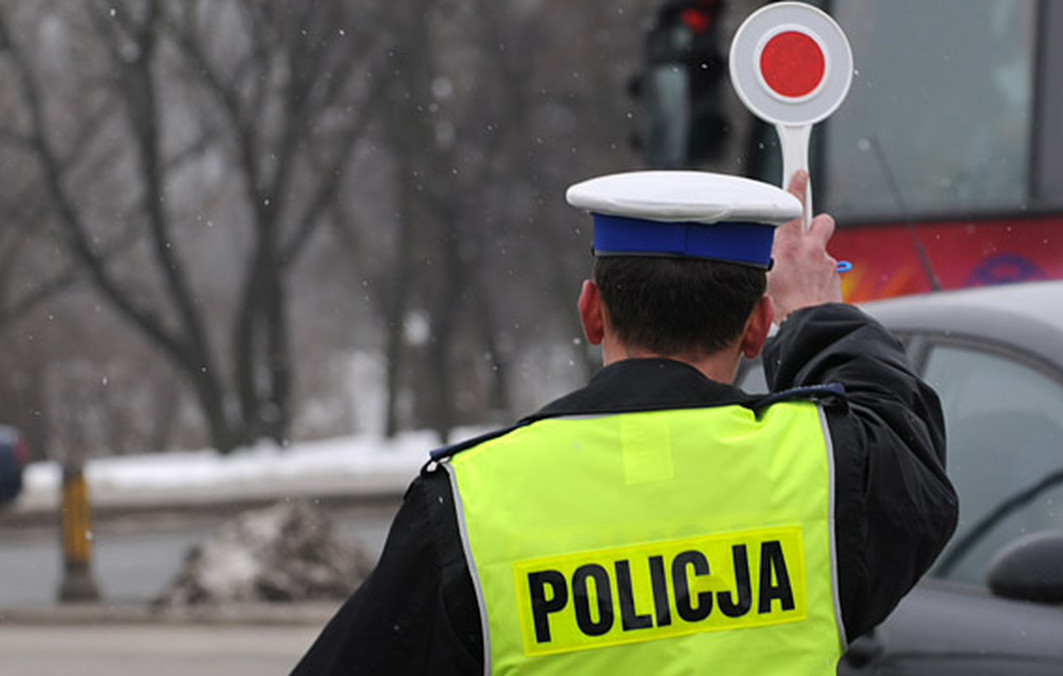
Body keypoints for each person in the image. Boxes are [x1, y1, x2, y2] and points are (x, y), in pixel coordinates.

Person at [291, 170, 958, 676]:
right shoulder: (828, 471)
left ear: (592, 313)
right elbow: (904, 430)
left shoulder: (470, 501)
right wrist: (813, 315)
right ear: (756, 329)